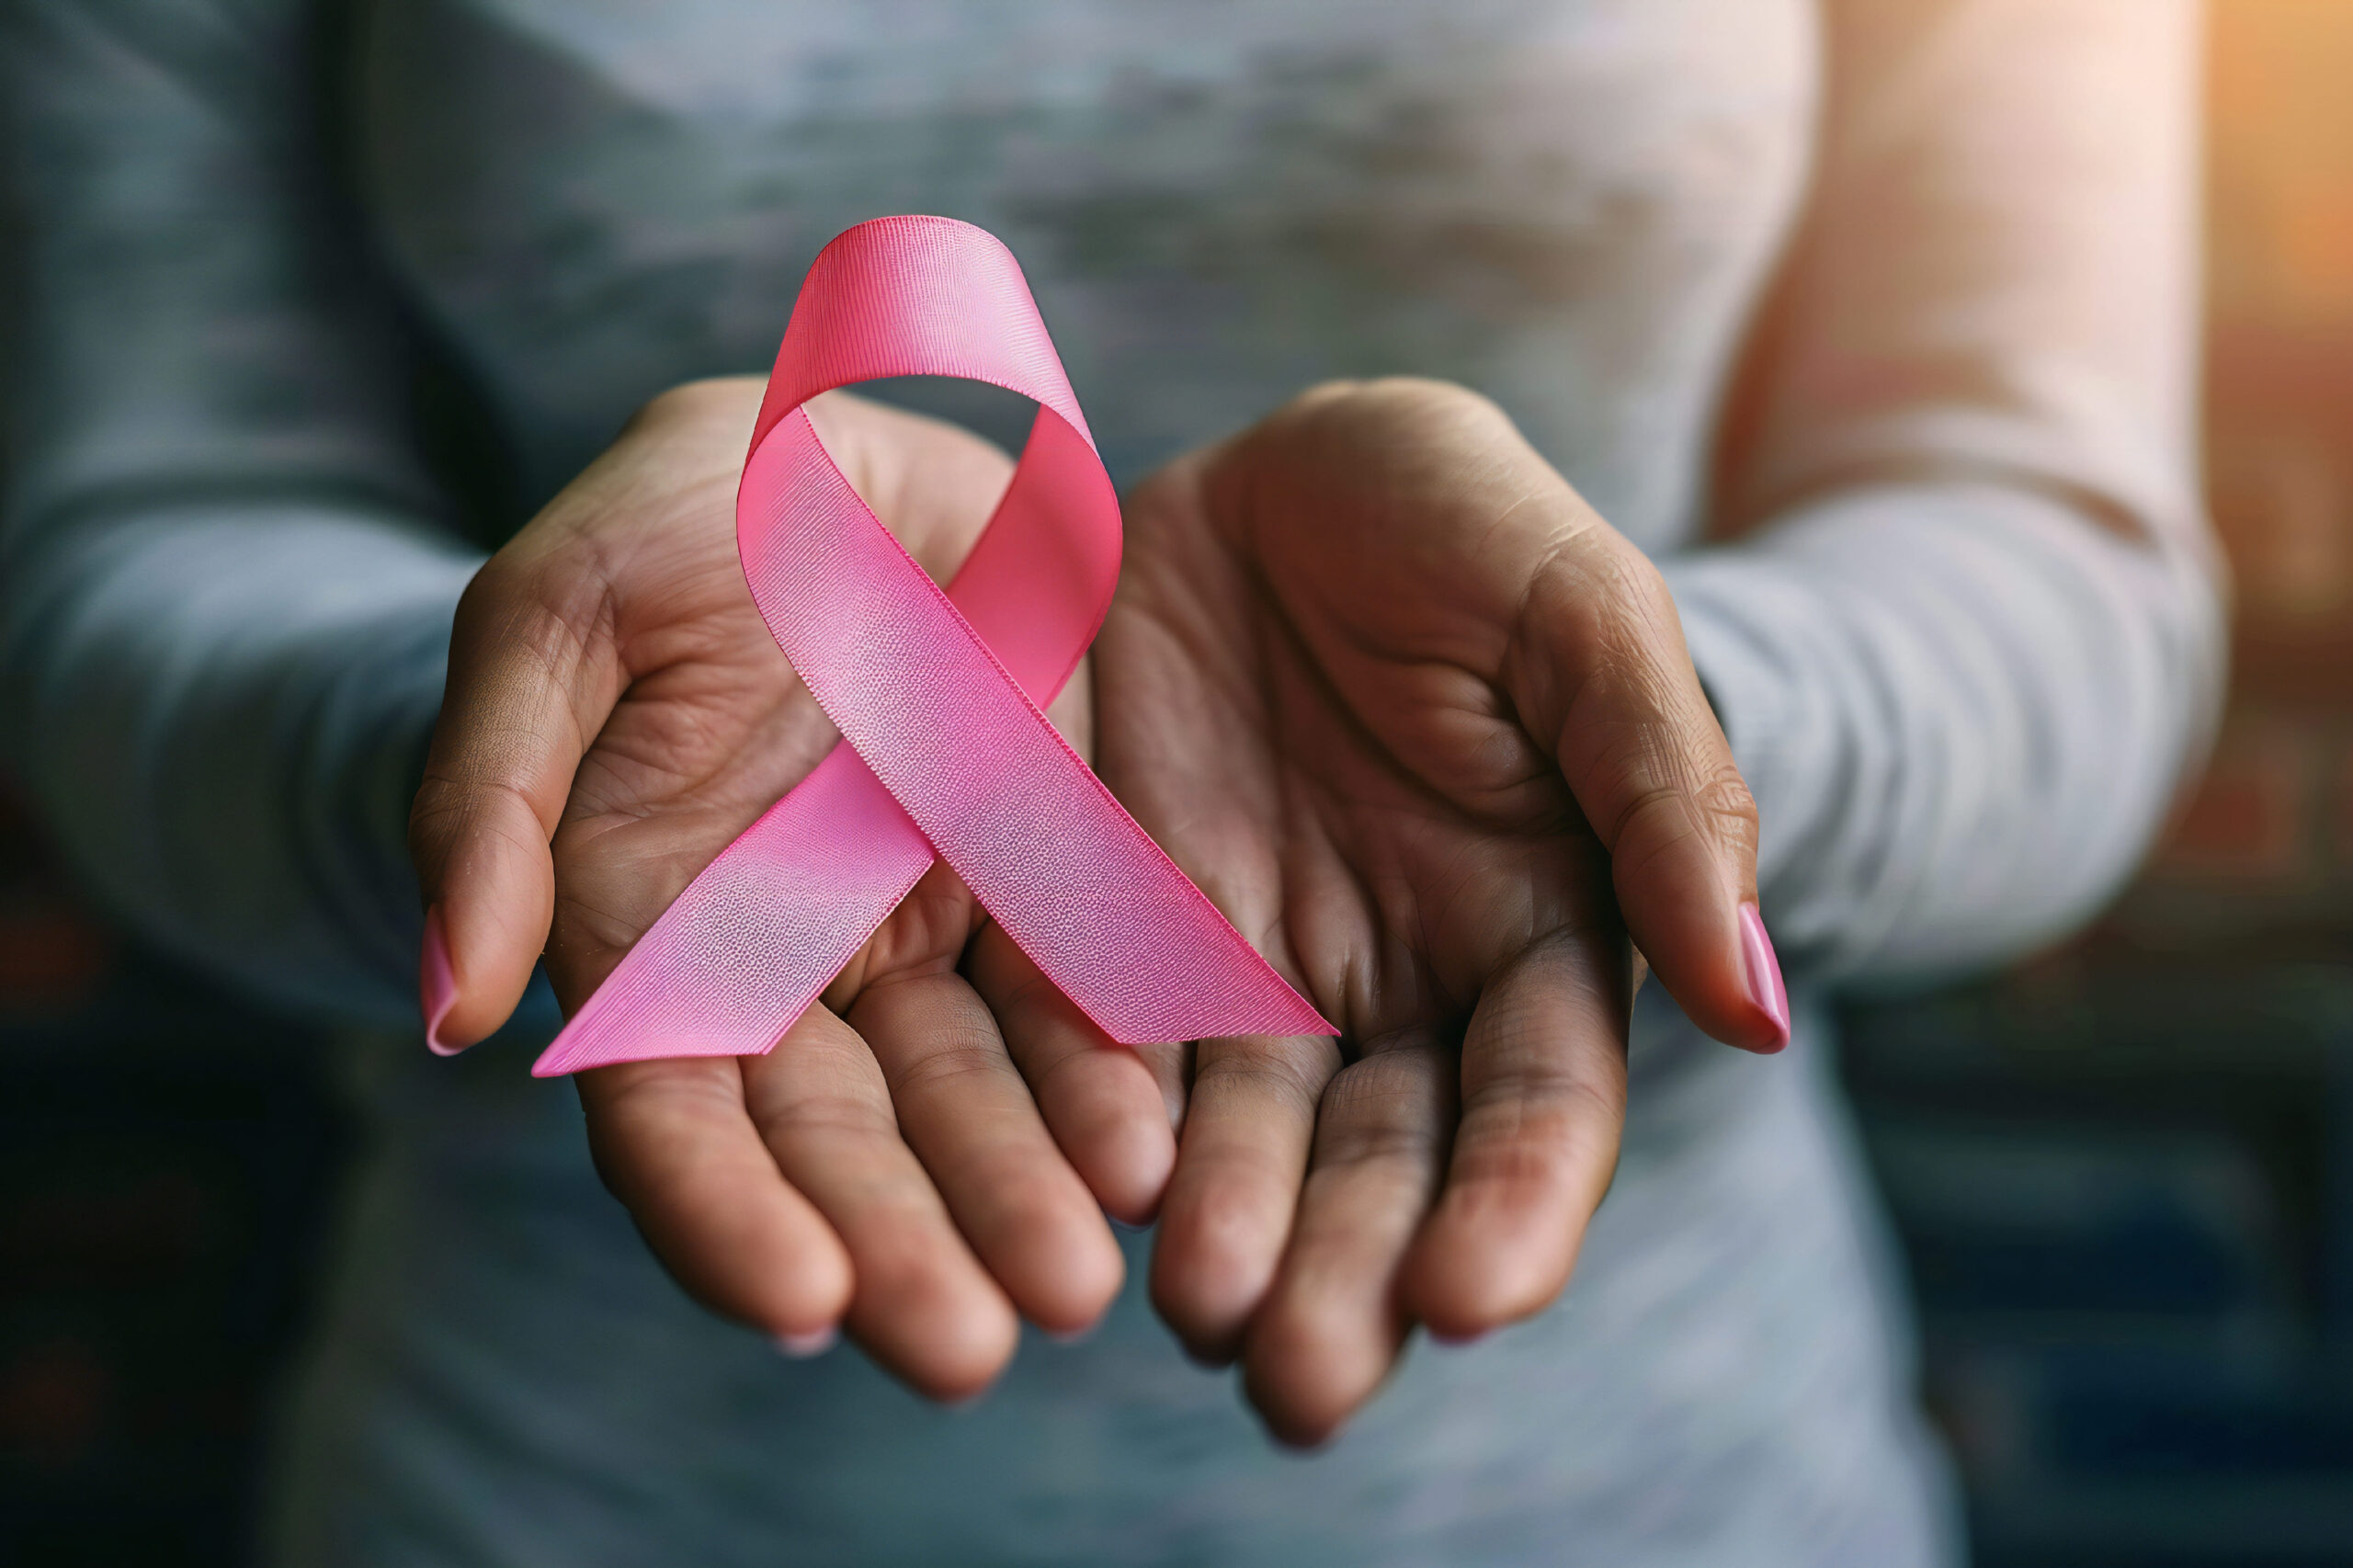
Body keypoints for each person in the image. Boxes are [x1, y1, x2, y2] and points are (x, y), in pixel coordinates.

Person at [0, 1, 2220, 1564]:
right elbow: (145, 536)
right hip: (567, 1485)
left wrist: (1648, 731)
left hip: (1646, 1492)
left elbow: (2048, 555)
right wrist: (511, 737)